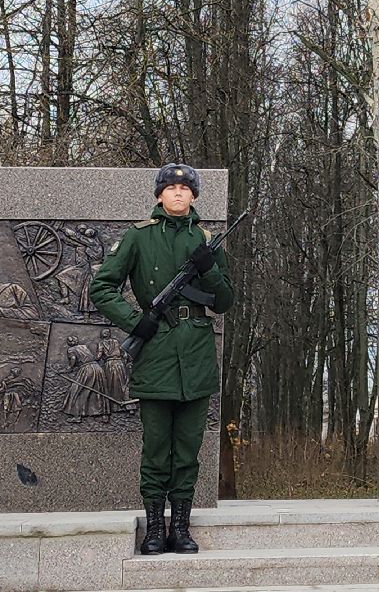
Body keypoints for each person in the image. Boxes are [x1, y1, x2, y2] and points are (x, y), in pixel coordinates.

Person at [90, 163, 233, 556]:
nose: (177, 193)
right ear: (158, 196)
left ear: (194, 197)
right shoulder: (139, 237)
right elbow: (101, 287)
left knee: (187, 450)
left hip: (197, 356)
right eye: (169, 188)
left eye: (185, 189)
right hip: (154, 354)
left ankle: (181, 529)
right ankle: (155, 529)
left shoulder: (206, 241)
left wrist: (210, 272)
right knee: (156, 449)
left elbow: (223, 301)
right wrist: (137, 322)